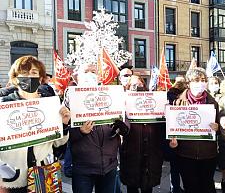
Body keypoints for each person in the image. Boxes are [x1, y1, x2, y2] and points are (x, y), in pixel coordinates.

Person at [0, 56, 70, 192]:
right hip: (12, 178)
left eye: (33, 73)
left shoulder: (50, 104)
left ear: (40, 78)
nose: (29, 77)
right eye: (24, 73)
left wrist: (64, 125)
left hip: (45, 175)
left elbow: (58, 144)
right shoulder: (5, 105)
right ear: (15, 77)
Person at [68, 64, 129, 193]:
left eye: (93, 71)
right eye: (86, 71)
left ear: (98, 76)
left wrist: (121, 127)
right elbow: (63, 136)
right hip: (83, 168)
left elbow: (124, 121)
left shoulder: (110, 95)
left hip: (109, 165)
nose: (90, 74)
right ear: (78, 76)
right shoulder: (69, 99)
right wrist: (80, 132)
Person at [169, 67, 220, 193]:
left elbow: (220, 128)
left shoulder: (213, 102)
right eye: (196, 80)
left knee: (207, 186)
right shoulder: (177, 103)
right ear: (188, 83)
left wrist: (217, 127)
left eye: (203, 80)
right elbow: (172, 129)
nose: (200, 83)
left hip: (208, 154)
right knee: (190, 187)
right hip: (186, 154)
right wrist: (172, 143)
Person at [120, 75, 164, 193]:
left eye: (139, 85)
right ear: (128, 87)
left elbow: (161, 127)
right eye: (133, 86)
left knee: (147, 187)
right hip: (131, 153)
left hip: (150, 153)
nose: (137, 88)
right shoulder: (122, 104)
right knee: (132, 187)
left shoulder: (154, 102)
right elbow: (122, 130)